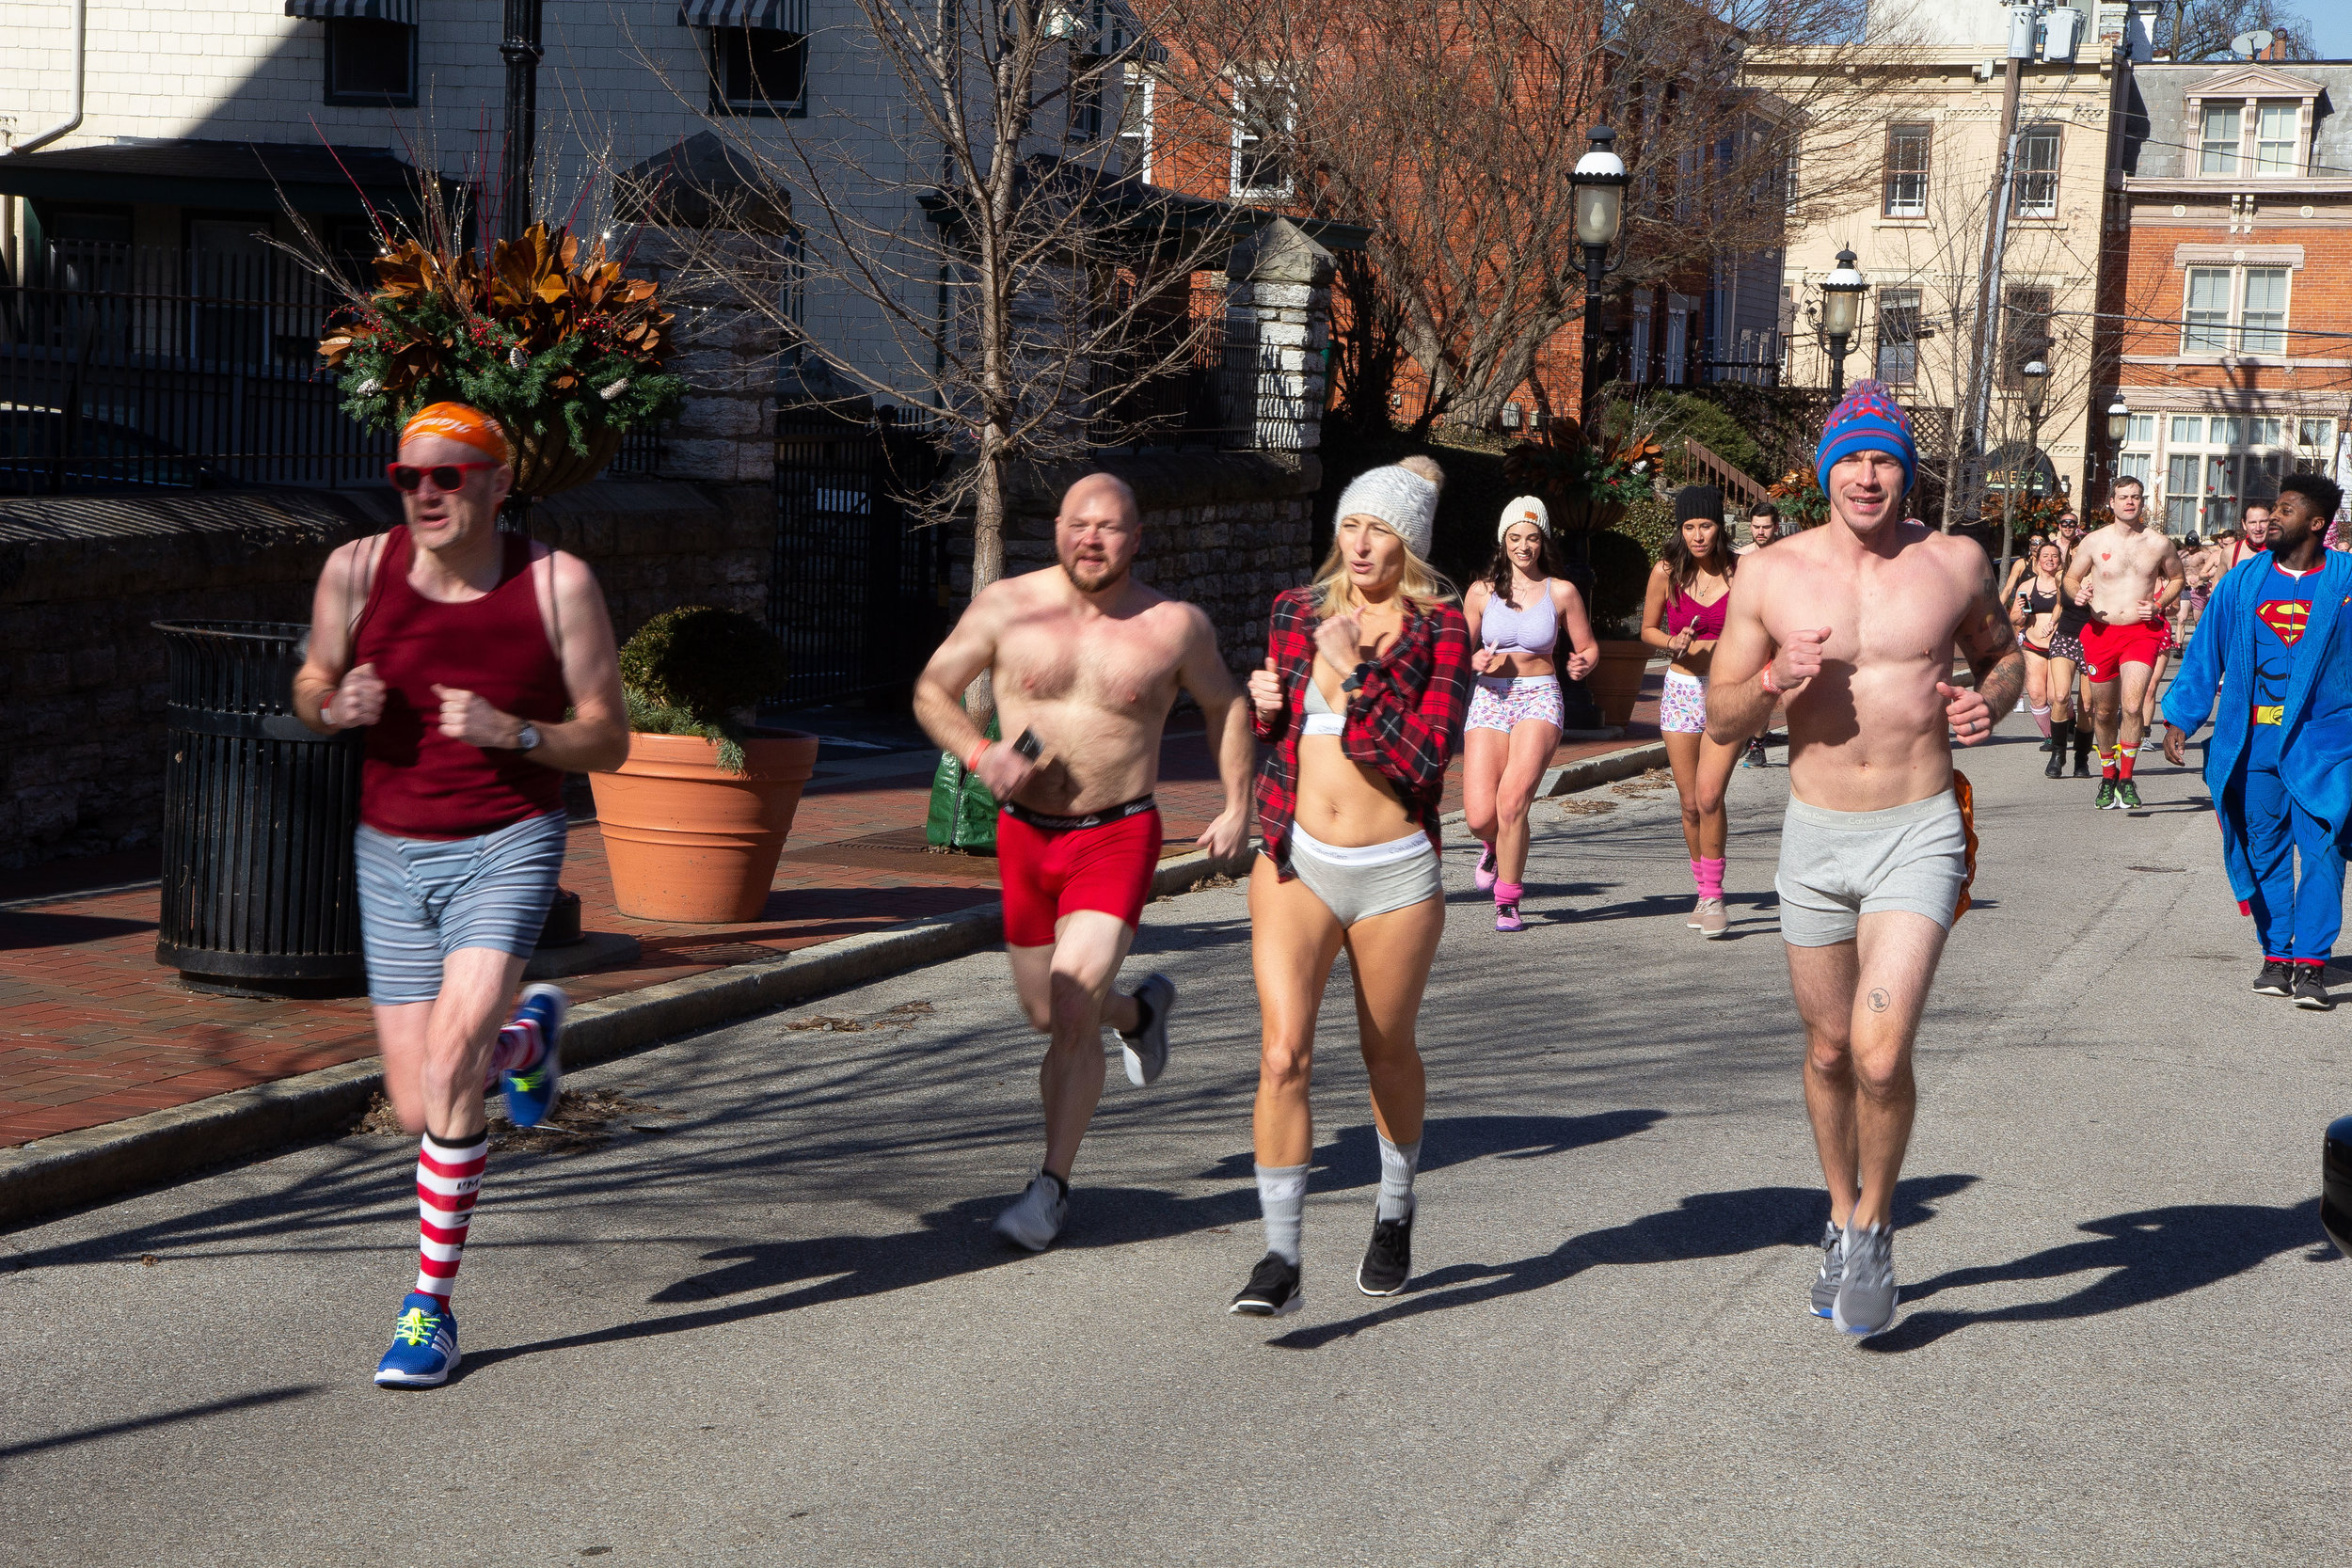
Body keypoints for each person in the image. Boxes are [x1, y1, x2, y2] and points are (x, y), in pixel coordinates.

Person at [293, 403, 630, 1387]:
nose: (427, 493)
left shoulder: (556, 583)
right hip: (389, 852)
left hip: (507, 842)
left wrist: (516, 732)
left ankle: (427, 1307)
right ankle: (528, 1038)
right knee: (415, 1102)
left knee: (449, 1059)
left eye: (449, 476)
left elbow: (606, 735)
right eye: (410, 477)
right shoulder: (356, 570)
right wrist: (328, 704)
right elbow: (311, 677)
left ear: (495, 482)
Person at [1707, 380, 2025, 1339]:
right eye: (1851, 458)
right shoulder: (1770, 573)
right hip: (1814, 833)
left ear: (1905, 469)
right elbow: (1721, 714)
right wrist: (1773, 678)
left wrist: (1993, 701)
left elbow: (2002, 656)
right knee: (1830, 1047)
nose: (1868, 474)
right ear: (1824, 472)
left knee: (1881, 1053)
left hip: (1917, 827)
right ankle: (1840, 1214)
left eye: (1884, 457)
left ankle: (1877, 1226)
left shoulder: (1954, 561)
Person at [913, 473, 1253, 1252]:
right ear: (1057, 528)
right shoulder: (1006, 606)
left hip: (1116, 832)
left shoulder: (1174, 625)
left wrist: (1239, 803)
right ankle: (1139, 1014)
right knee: (1046, 1012)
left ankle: (1050, 1187)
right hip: (1025, 836)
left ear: (1138, 538)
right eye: (1079, 524)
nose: (1091, 539)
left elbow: (1226, 703)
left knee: (1070, 1005)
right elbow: (933, 689)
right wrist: (978, 750)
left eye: (1110, 527)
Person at [1230, 460, 1470, 1316]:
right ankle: (1280, 1256)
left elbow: (1421, 761)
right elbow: (1285, 730)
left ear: (1408, 543)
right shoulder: (1297, 612)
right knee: (1282, 1051)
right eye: (1350, 525)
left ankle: (1396, 1201)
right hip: (1296, 857)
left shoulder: (1439, 629)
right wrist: (1265, 702)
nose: (1360, 544)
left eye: (1379, 530)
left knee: (1387, 1051)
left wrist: (1354, 673)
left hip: (1394, 872)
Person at [2163, 473, 2352, 1011]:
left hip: (2328, 742)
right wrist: (2181, 716)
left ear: (2317, 524)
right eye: (2273, 508)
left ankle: (2312, 963)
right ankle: (2277, 954)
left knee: (2323, 848)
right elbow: (2207, 652)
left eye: (2286, 510)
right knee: (2263, 848)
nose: (2273, 517)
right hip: (2253, 740)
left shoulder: (2346, 581)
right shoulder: (2243, 582)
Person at [1463, 495, 1598, 931]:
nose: (1524, 546)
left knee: (1513, 800)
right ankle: (1494, 845)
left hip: (1539, 695)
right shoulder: (1481, 592)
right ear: (1503, 541)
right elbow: (1458, 650)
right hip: (1490, 696)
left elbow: (1588, 646)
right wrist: (1472, 662)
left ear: (1543, 542)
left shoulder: (1561, 591)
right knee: (1479, 816)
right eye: (1516, 538)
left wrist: (1584, 662)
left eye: (1533, 538)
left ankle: (1508, 898)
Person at [1642, 485, 1742, 937]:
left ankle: (1716, 896)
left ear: (1719, 526)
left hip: (1724, 691)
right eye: (1689, 527)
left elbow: (1762, 629)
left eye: (1705, 525)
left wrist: (1726, 646)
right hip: (1681, 688)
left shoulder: (1742, 572)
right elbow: (1646, 629)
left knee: (1709, 796)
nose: (1698, 535)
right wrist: (1671, 642)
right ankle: (1702, 892)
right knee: (1687, 803)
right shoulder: (1665, 571)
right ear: (1679, 530)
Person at [2061, 476, 2185, 810]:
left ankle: (2127, 780)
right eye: (2123, 497)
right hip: (2101, 632)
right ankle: (2107, 776)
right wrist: (2079, 593)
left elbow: (2178, 578)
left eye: (2136, 497)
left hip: (2140, 633)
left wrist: (2158, 605)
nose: (2130, 502)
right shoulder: (2093, 542)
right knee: (2102, 712)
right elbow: (2071, 579)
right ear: (2112, 503)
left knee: (2132, 706)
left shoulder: (2158, 543)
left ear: (2142, 503)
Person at [1738, 502, 1784, 768]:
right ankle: (1743, 735)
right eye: (1756, 527)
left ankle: (1757, 744)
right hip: (1745, 632)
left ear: (1776, 527)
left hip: (1775, 632)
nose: (1761, 532)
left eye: (1766, 527)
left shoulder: (1786, 556)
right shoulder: (1741, 558)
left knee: (1766, 689)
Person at [2010, 540, 2066, 746]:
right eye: (2046, 556)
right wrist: (2022, 612)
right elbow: (2015, 618)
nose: (2050, 560)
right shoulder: (2027, 586)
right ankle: (2052, 737)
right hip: (2033, 647)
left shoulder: (2066, 584)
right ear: (2038, 559)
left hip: (2059, 647)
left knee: (2056, 696)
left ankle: (2068, 722)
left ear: (2060, 560)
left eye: (2054, 556)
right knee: (2036, 695)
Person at [2218, 502, 2273, 574]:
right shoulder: (2230, 552)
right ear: (2244, 524)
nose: (2258, 528)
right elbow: (2218, 582)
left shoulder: (2282, 552)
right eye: (2252, 522)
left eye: (2263, 521)